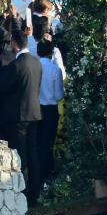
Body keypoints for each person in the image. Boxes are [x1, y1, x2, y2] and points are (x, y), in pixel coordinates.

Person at [0, 30, 43, 205]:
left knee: (20, 155)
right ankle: (36, 191)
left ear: (14, 44)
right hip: (35, 112)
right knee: (33, 153)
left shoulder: (17, 65)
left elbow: (2, 88)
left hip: (19, 116)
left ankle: (22, 193)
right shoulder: (36, 62)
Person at [36, 40, 64, 181]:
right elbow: (59, 95)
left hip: (36, 109)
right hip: (50, 109)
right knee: (48, 144)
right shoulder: (55, 70)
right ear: (51, 53)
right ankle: (48, 171)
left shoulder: (34, 67)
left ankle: (38, 172)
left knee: (38, 142)